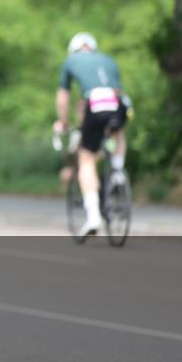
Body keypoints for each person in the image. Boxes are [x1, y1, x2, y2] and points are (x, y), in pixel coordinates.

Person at [53, 32, 130, 238]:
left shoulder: (71, 62)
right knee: (118, 132)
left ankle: (93, 215)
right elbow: (118, 90)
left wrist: (63, 121)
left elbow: (63, 100)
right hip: (118, 102)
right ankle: (118, 171)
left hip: (94, 104)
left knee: (86, 158)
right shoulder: (108, 60)